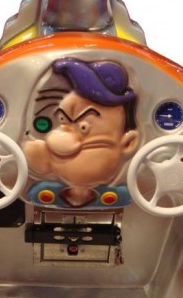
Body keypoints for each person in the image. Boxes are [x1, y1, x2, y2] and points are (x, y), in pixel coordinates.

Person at [23, 57, 140, 207]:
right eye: (63, 120)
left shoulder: (121, 195)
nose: (64, 137)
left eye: (84, 127)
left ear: (129, 143)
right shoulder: (42, 190)